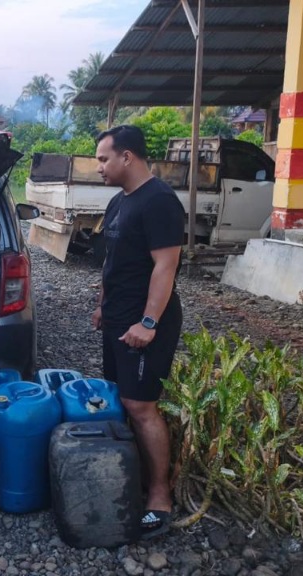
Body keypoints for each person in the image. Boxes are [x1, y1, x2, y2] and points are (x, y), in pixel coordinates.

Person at [90, 125, 184, 541]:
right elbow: (113, 261)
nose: (99, 167)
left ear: (127, 156)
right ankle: (134, 475)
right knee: (121, 395)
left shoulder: (159, 201)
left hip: (144, 323)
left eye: (103, 159)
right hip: (117, 318)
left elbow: (166, 266)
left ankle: (160, 495)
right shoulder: (118, 201)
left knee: (141, 405)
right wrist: (102, 305)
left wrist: (148, 323)